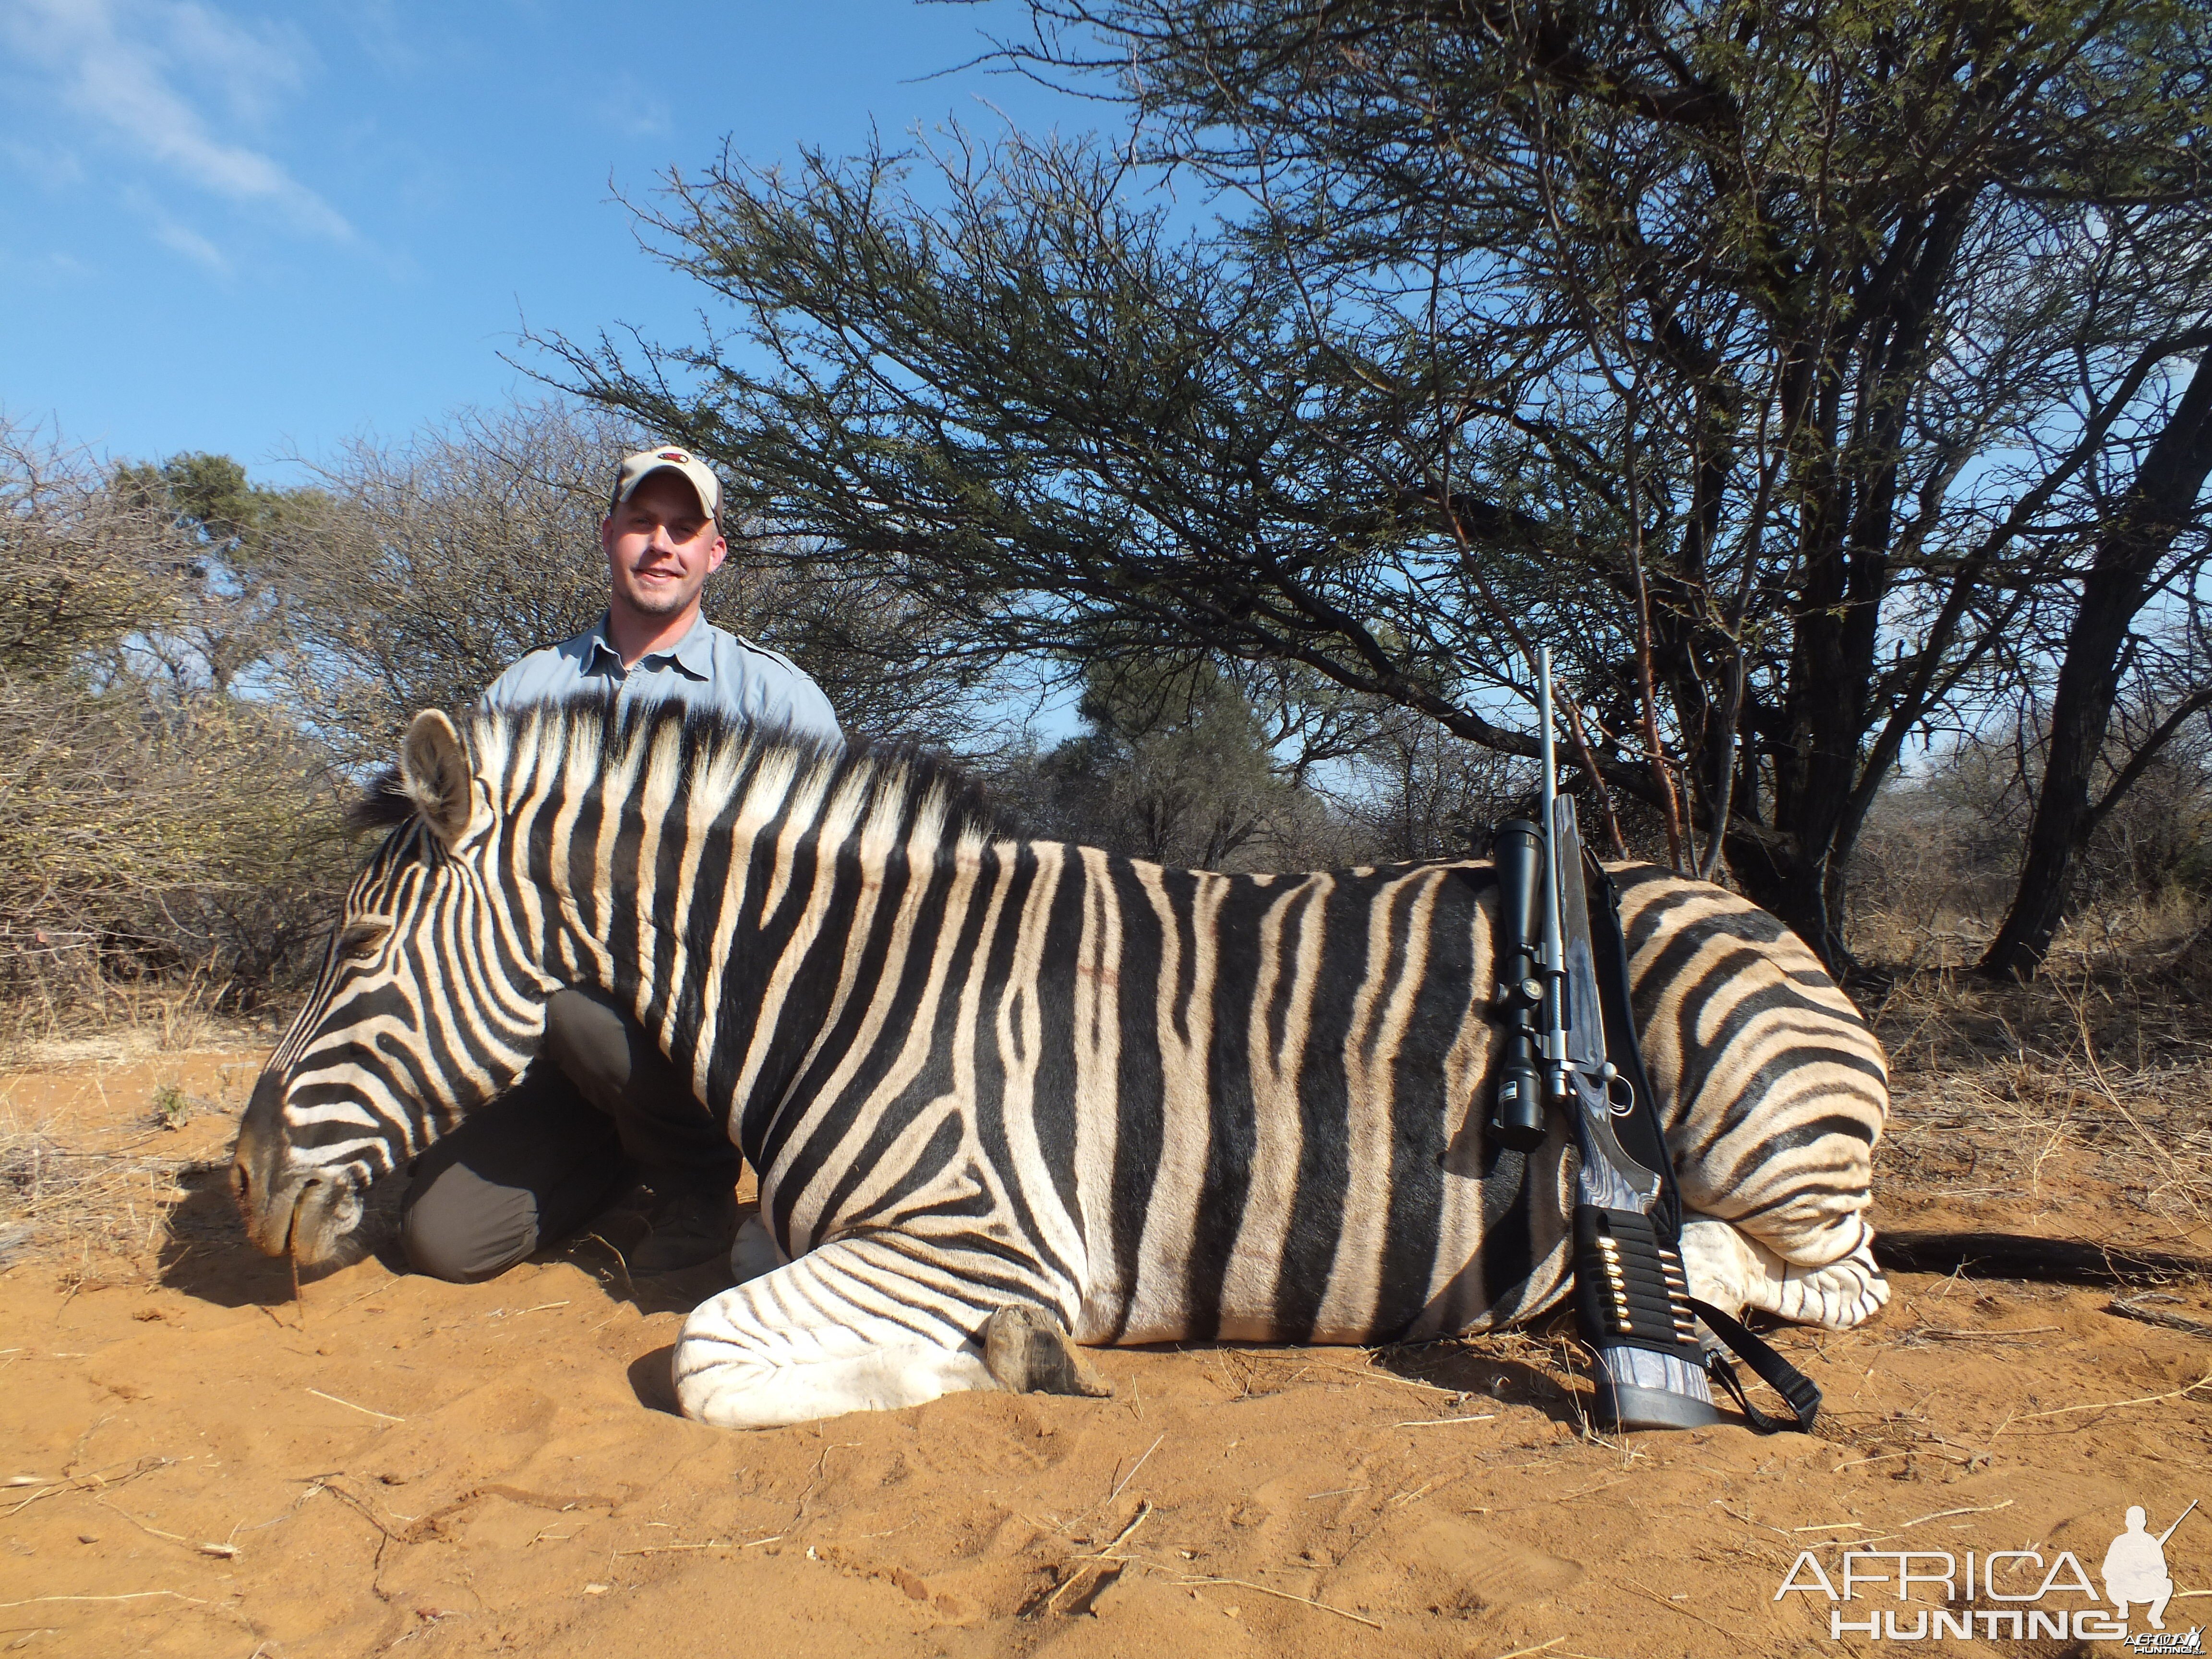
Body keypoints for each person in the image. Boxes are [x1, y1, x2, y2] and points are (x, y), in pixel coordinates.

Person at [397, 446, 842, 1283]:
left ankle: (697, 1183)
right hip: (547, 1049)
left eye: (684, 528)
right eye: (641, 523)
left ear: (715, 552)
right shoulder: (523, 693)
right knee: (440, 1242)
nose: (660, 544)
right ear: (607, 536)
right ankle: (620, 1150)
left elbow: (835, 894)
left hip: (718, 1045)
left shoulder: (774, 698)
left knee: (581, 1003)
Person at [2102, 1505, 2178, 1629]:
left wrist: (2147, 1571)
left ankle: (2154, 1615)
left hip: (2145, 1589)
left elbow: (2163, 1571)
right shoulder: (2120, 1542)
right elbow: (2107, 1570)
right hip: (2124, 1588)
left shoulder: (2151, 1542)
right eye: (2133, 1521)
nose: (2136, 1524)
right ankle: (2123, 1607)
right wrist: (2124, 1573)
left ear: (2144, 1522)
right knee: (2111, 1583)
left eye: (2137, 1521)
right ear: (2128, 1522)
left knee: (2167, 1584)